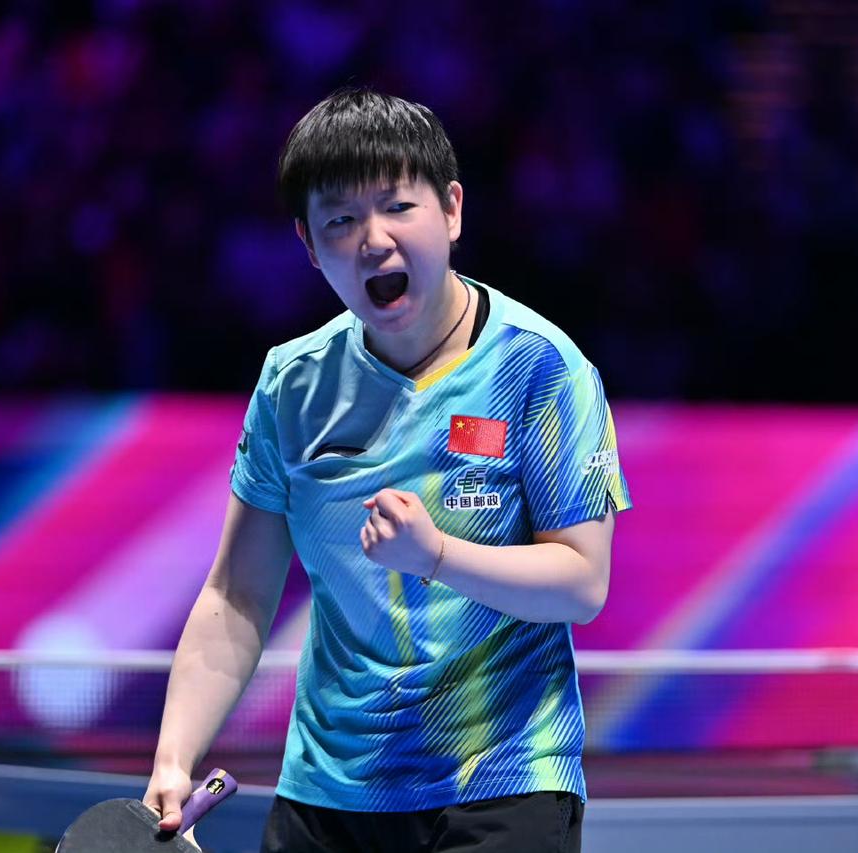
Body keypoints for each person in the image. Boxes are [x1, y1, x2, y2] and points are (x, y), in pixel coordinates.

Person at [143, 87, 631, 853]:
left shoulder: (543, 369)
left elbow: (582, 581)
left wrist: (434, 554)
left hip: (503, 779)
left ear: (453, 211)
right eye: (340, 220)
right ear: (309, 245)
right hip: (331, 789)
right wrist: (174, 757)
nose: (373, 239)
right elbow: (237, 594)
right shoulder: (293, 385)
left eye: (398, 206)